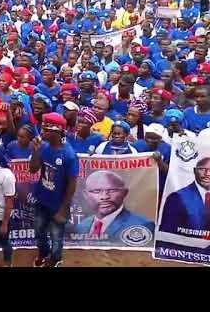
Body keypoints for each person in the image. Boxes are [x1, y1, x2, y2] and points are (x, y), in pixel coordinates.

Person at [29, 112, 79, 267]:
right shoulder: (43, 147)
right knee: (39, 231)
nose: (42, 132)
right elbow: (33, 169)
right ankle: (43, 253)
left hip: (58, 204)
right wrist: (35, 151)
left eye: (45, 130)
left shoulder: (69, 154)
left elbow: (72, 184)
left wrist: (63, 210)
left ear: (57, 132)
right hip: (42, 199)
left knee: (56, 236)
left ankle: (55, 259)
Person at [76, 170, 155, 239]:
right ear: (86, 195)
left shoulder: (142, 225)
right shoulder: (81, 226)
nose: (105, 197)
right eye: (96, 191)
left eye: (112, 190)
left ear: (125, 193)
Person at [159, 157, 210, 237]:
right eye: (202, 169)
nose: (207, 174)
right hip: (187, 248)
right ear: (194, 171)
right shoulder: (177, 198)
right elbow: (167, 236)